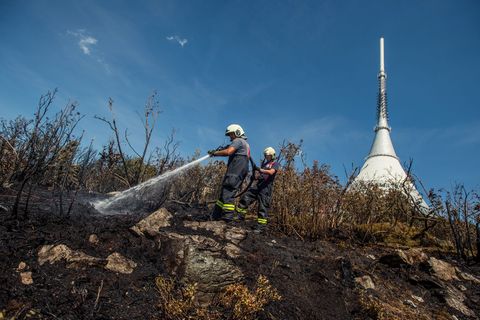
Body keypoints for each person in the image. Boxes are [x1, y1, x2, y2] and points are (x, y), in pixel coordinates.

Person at [208, 124, 250, 222]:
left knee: (228, 193)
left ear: (237, 132)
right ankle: (215, 215)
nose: (230, 137)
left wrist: (215, 153)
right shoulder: (245, 144)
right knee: (224, 193)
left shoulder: (238, 141)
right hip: (239, 172)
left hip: (234, 172)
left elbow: (228, 152)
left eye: (231, 134)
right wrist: (219, 151)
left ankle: (227, 217)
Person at [236, 147, 279, 233]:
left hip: (266, 188)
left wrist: (259, 169)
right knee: (246, 196)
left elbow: (270, 172)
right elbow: (262, 176)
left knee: (263, 207)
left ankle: (261, 227)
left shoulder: (275, 164)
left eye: (268, 156)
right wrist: (255, 177)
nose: (267, 157)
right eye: (266, 156)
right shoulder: (265, 163)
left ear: (272, 155)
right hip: (258, 186)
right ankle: (240, 216)